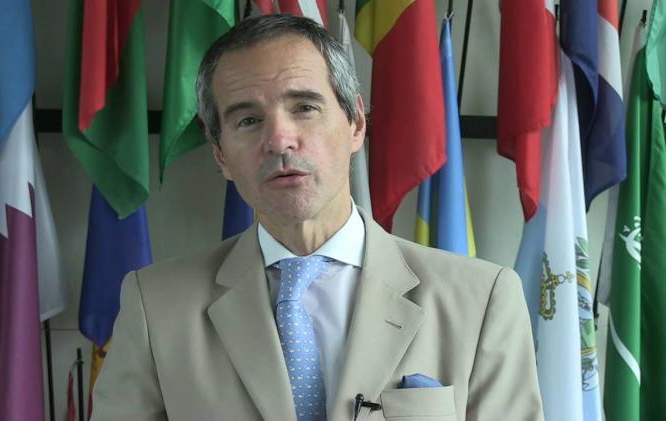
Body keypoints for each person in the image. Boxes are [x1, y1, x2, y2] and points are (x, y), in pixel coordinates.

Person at [91, 15, 543, 421]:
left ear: (356, 124)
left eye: (305, 107)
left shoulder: (482, 300)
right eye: (247, 120)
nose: (279, 139)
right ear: (221, 155)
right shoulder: (155, 306)